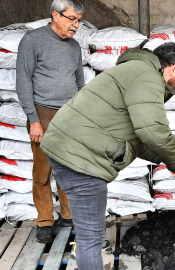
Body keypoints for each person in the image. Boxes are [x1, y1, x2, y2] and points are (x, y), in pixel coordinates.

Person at [39, 42, 175, 269]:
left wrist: (165, 160)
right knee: (91, 239)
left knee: (88, 232)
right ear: (173, 69)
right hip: (82, 158)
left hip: (67, 147)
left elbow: (137, 137)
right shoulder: (148, 77)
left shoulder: (134, 71)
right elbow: (152, 130)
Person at [16, 0, 85, 243]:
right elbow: (23, 81)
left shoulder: (75, 47)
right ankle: (45, 219)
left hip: (69, 114)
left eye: (79, 20)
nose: (76, 25)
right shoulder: (33, 40)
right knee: (43, 170)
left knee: (69, 168)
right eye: (71, 19)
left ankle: (68, 215)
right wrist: (33, 120)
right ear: (56, 15)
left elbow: (80, 83)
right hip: (42, 113)